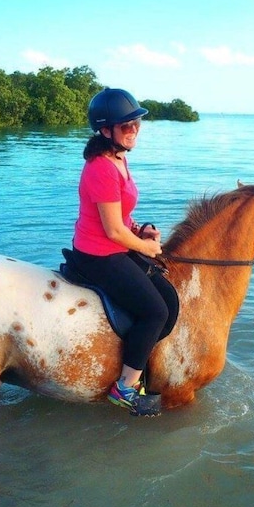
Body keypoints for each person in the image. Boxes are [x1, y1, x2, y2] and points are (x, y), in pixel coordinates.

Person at [70, 87, 175, 416]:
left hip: (115, 243)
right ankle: (125, 388)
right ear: (106, 130)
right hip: (98, 252)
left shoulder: (119, 158)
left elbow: (120, 220)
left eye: (137, 124)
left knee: (170, 302)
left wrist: (138, 230)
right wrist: (146, 246)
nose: (135, 131)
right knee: (155, 312)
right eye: (127, 126)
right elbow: (111, 230)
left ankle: (135, 359)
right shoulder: (101, 167)